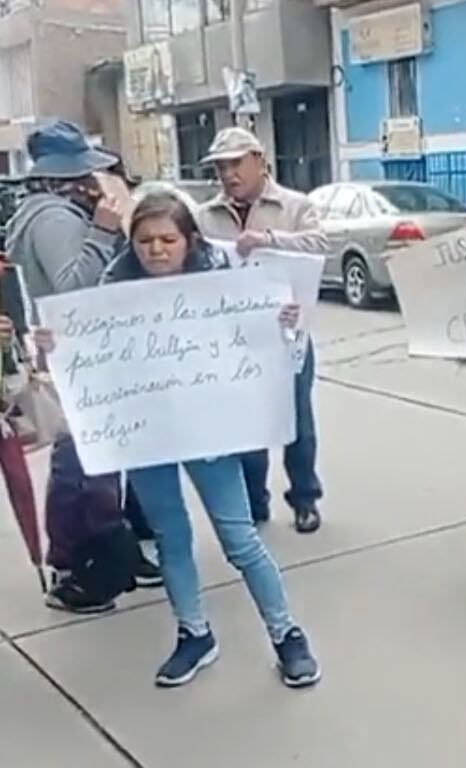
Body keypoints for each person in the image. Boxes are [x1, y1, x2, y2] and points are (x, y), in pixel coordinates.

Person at [35, 192, 321, 688]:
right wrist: (53, 346)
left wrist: (284, 324)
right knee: (170, 538)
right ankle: (194, 633)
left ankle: (286, 634)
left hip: (208, 431)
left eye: (168, 239)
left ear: (189, 240)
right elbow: (79, 356)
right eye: (145, 241)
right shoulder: (112, 290)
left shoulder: (223, 280)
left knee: (240, 538)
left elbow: (265, 347)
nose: (157, 250)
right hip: (146, 434)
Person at [3, 119, 159, 612]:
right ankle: (81, 564)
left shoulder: (41, 211)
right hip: (81, 355)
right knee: (83, 465)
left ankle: (90, 557)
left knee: (85, 460)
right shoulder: (55, 218)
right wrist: (103, 232)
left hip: (77, 355)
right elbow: (74, 290)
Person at [197, 128, 328, 534]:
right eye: (220, 167)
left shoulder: (294, 206)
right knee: (246, 421)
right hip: (235, 337)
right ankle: (254, 501)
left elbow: (320, 245)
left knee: (297, 420)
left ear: (259, 160)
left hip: (288, 332)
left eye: (236, 163)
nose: (228, 174)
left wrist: (268, 240)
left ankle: (305, 498)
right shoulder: (205, 216)